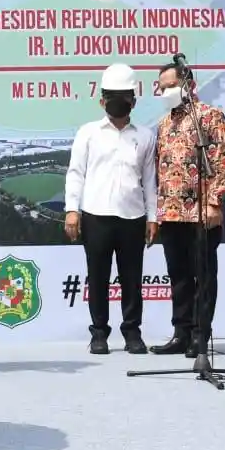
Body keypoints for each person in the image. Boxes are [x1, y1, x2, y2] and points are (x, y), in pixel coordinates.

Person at [64, 64, 158, 355]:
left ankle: (132, 333)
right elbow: (75, 172)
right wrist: (71, 210)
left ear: (134, 100)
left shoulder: (145, 136)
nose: (118, 101)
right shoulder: (88, 133)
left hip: (133, 216)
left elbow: (150, 180)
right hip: (95, 215)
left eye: (124, 95)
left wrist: (153, 217)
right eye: (112, 95)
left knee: (132, 279)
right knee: (99, 277)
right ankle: (99, 334)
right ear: (101, 100)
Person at [149, 64, 225, 358]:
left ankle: (200, 334)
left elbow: (219, 161)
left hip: (200, 211)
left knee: (203, 275)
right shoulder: (163, 123)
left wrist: (213, 202)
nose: (163, 92)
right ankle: (181, 333)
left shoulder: (210, 117)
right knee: (179, 276)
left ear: (188, 85)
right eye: (160, 87)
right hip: (171, 212)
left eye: (169, 86)